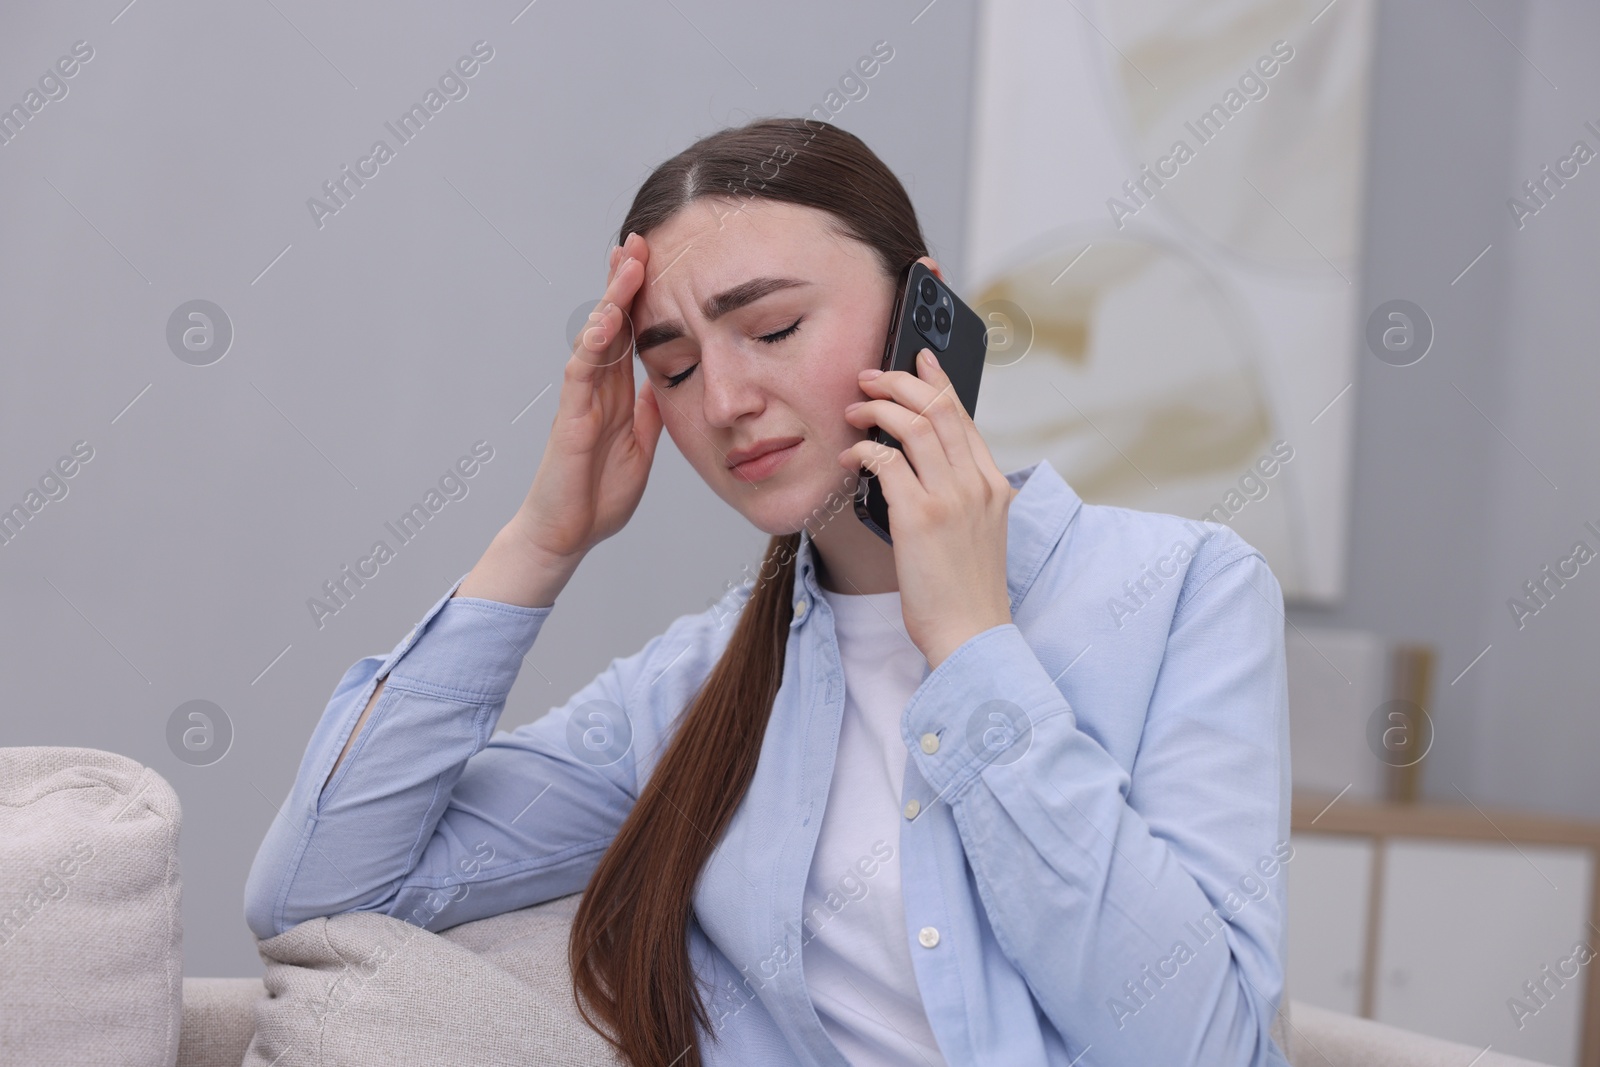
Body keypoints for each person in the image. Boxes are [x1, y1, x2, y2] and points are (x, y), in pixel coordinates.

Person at [244, 117, 1293, 1067]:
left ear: (921, 307)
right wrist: (542, 539)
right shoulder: (692, 694)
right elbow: (322, 889)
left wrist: (971, 646)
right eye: (675, 365)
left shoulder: (1183, 593)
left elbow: (1206, 1047)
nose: (728, 401)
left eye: (774, 327)